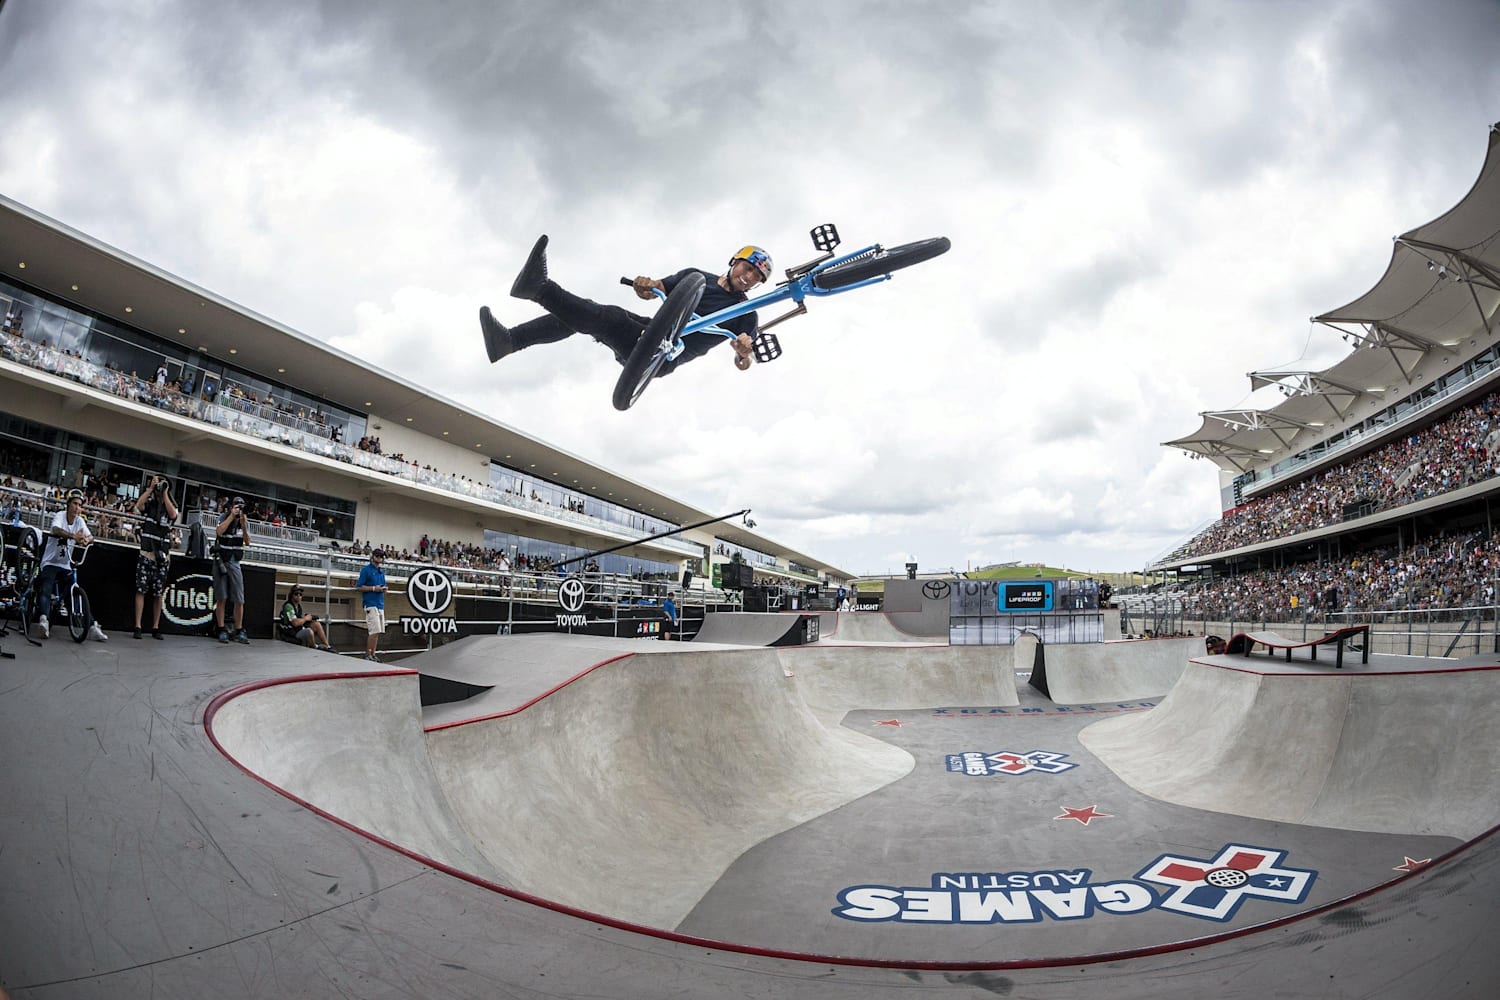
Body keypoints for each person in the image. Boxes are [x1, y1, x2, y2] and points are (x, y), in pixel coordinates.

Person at [478, 236, 771, 377]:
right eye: (747, 269)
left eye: (756, 278)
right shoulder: (695, 277)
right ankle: (509, 341)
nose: (748, 279)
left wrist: (744, 351)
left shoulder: (746, 311)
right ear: (735, 261)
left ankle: (538, 289)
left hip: (662, 355)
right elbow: (656, 288)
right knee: (584, 314)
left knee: (609, 318)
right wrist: (643, 284)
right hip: (650, 329)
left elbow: (745, 361)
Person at [34, 488, 108, 641]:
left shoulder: (80, 521)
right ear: (68, 505)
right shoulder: (60, 516)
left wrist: (87, 540)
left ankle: (92, 626)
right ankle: (43, 621)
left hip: (65, 565)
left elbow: (90, 536)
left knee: (74, 592)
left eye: (79, 505)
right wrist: (72, 536)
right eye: (74, 504)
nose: (77, 507)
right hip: (50, 562)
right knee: (46, 587)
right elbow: (55, 529)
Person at [132, 474, 178, 639]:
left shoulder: (170, 505)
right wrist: (151, 489)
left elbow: (173, 515)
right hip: (146, 554)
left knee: (158, 593)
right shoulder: (150, 504)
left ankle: (155, 627)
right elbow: (138, 505)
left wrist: (164, 492)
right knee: (140, 590)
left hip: (161, 557)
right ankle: (137, 626)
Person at [213, 495, 252, 644]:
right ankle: (221, 628)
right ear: (231, 507)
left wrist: (243, 524)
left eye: (241, 506)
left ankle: (239, 629)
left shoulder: (244, 521)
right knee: (221, 597)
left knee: (239, 598)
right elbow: (219, 532)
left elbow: (248, 542)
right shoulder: (224, 516)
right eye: (236, 506)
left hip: (235, 561)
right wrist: (231, 516)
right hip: (221, 560)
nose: (239, 509)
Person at [356, 548, 388, 660]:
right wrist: (374, 588)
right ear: (373, 556)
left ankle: (373, 654)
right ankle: (368, 654)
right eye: (377, 556)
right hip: (370, 603)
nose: (379, 558)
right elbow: (359, 586)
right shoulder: (366, 570)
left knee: (378, 631)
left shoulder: (381, 572)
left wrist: (383, 589)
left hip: (380, 604)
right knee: (373, 631)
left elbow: (383, 586)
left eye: (381, 556)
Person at [279, 585, 332, 651]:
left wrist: (309, 618)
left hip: (296, 629)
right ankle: (315, 647)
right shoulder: (288, 606)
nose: (298, 596)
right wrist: (306, 618)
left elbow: (299, 620)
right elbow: (295, 623)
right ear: (291, 595)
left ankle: (327, 646)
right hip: (289, 633)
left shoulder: (298, 606)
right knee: (309, 632)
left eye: (300, 594)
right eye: (296, 594)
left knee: (316, 624)